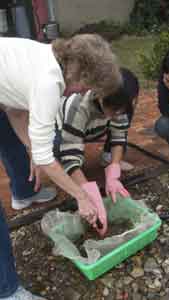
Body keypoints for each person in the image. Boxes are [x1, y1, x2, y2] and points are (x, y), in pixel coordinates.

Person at [0, 34, 121, 300]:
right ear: (82, 77)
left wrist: (32, 147)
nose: (82, 93)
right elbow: (47, 157)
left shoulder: (51, 54)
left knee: (29, 143)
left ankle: (24, 194)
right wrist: (82, 196)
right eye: (87, 88)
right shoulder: (49, 82)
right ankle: (7, 291)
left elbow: (14, 108)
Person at [57, 67, 139, 235]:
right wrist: (86, 191)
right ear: (100, 97)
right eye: (113, 108)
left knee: (117, 125)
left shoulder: (121, 105)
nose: (117, 113)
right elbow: (70, 155)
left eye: (121, 109)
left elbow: (118, 136)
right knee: (58, 147)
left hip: (97, 128)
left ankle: (106, 159)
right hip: (65, 128)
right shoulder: (78, 106)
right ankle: (63, 175)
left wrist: (114, 168)